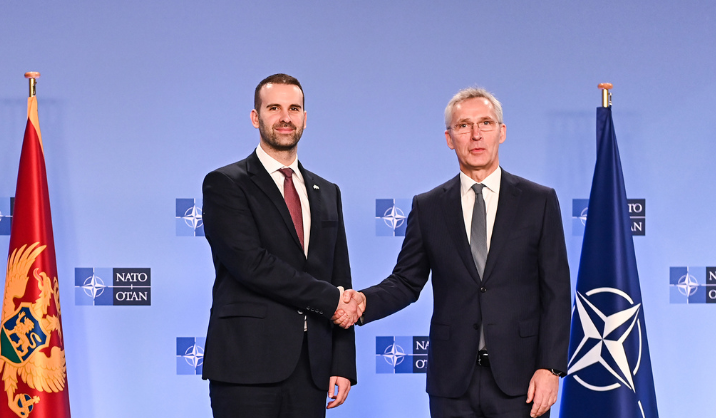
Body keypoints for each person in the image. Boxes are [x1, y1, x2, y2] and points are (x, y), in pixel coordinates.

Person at [335, 87, 571, 418]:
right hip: (452, 383)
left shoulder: (538, 201)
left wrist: (551, 367)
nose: (476, 135)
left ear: (502, 132)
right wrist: (364, 302)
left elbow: (557, 291)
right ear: (449, 138)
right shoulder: (429, 206)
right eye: (463, 126)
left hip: (522, 380)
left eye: (486, 123)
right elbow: (406, 281)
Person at [202, 73, 359, 418]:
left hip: (312, 367)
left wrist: (342, 361)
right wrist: (331, 299)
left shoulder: (328, 192)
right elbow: (251, 264)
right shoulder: (226, 183)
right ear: (255, 117)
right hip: (246, 365)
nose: (285, 117)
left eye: (294, 108)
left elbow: (340, 276)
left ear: (305, 118)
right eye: (274, 108)